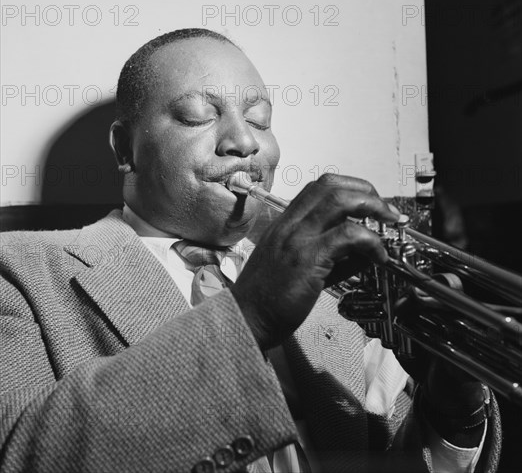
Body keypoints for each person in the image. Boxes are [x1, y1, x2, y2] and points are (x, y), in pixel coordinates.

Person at [0, 29, 500, 473]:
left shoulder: (341, 293)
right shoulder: (21, 271)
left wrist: (451, 413)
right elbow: (24, 455)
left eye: (260, 121)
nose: (244, 141)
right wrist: (250, 317)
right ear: (125, 149)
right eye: (197, 116)